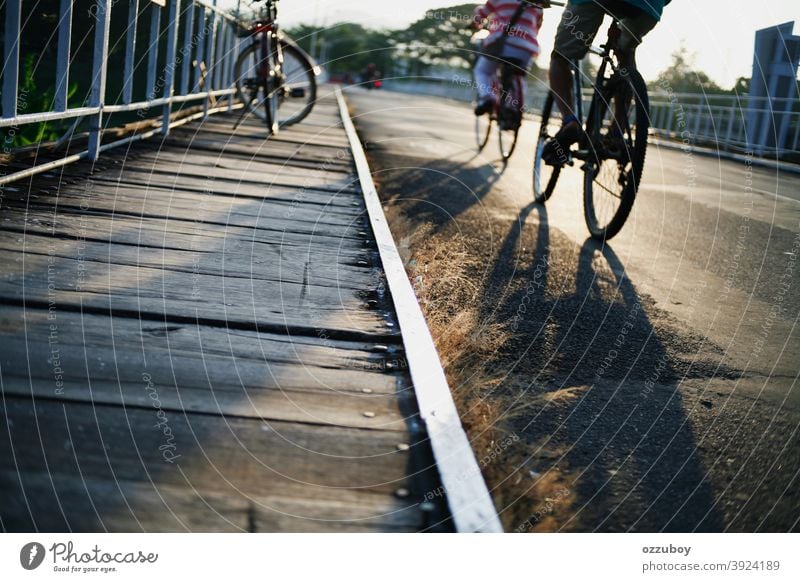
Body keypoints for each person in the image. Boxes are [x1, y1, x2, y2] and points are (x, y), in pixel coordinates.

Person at [543, 0, 670, 160]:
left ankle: (570, 122)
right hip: (647, 6)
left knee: (560, 58)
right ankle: (617, 131)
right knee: (625, 57)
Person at [472, 1, 544, 125]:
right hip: (527, 48)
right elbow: (537, 25)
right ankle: (513, 108)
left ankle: (488, 98)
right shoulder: (538, 2)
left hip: (502, 43)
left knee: (482, 71)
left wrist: (474, 23)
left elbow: (481, 15)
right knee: (519, 74)